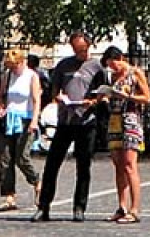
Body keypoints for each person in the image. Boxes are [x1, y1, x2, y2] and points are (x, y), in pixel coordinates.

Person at [37, 32, 106, 223]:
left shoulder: (97, 67)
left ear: (88, 46)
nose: (79, 52)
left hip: (86, 121)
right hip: (65, 121)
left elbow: (103, 94)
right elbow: (54, 89)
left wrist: (92, 102)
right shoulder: (64, 65)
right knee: (52, 164)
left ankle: (79, 207)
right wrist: (58, 97)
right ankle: (43, 207)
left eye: (82, 49)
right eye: (76, 49)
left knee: (83, 166)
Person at [102, 47, 150, 224]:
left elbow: (147, 98)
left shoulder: (135, 72)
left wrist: (128, 96)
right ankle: (121, 206)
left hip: (131, 119)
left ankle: (134, 209)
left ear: (121, 58)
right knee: (118, 165)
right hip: (115, 119)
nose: (113, 68)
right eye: (110, 65)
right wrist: (106, 96)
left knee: (130, 164)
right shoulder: (112, 77)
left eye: (114, 64)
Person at [0, 48, 42, 211]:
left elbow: (36, 100)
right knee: (5, 159)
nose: (13, 69)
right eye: (10, 66)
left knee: (22, 158)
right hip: (9, 119)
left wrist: (34, 120)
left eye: (15, 66)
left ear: (22, 62)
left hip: (25, 119)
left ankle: (37, 181)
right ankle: (9, 196)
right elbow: (1, 95)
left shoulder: (31, 76)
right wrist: (1, 107)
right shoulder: (8, 76)